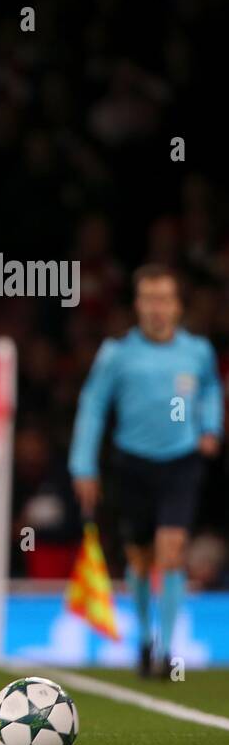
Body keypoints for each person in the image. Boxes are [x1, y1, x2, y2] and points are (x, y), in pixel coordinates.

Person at [69, 264, 223, 677]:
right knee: (140, 559)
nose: (158, 308)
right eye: (150, 299)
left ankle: (166, 650)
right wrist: (82, 464)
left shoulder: (197, 351)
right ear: (138, 305)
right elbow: (93, 406)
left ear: (177, 306)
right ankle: (142, 638)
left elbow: (210, 388)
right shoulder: (117, 355)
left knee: (172, 552)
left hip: (181, 462)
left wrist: (210, 427)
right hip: (132, 464)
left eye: (165, 299)